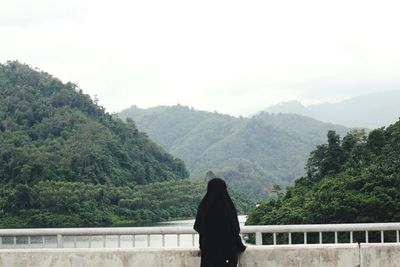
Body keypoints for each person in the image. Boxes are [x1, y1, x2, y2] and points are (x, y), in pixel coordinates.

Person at [194, 178, 246, 267]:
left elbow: (198, 227)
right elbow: (234, 229)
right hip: (227, 254)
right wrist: (240, 246)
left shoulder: (204, 206)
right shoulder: (227, 206)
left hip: (208, 254)